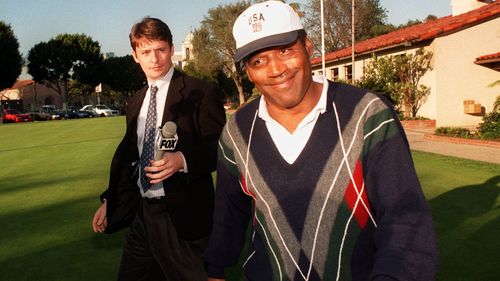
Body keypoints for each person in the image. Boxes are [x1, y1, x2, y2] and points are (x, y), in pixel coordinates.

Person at [204, 1, 437, 280]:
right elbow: (228, 217)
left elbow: (406, 222)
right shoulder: (237, 132)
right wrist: (215, 269)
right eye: (258, 61)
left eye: (285, 50)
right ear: (248, 72)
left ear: (308, 47)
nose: (276, 68)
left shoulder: (367, 115)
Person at [91, 16, 226, 280]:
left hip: (183, 217)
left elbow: (221, 148)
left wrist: (182, 160)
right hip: (144, 215)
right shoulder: (136, 100)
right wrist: (111, 199)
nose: (154, 59)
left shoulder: (201, 92)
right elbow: (132, 158)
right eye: (145, 51)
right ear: (135, 56)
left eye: (160, 49)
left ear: (171, 48)